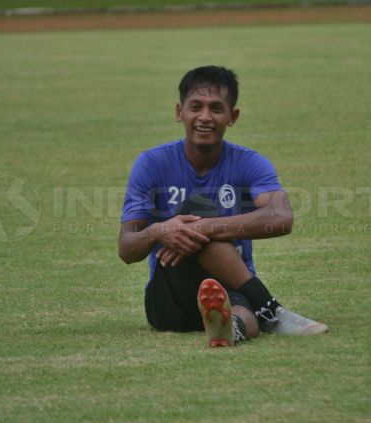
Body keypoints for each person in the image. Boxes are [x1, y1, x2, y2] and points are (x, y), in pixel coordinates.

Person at [118, 65, 327, 347]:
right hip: (169, 299)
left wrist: (205, 227)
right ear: (180, 112)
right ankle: (270, 308)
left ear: (232, 116)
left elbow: (281, 217)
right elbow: (126, 248)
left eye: (216, 108)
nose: (205, 117)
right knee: (198, 209)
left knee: (241, 310)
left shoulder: (249, 162)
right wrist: (158, 231)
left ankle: (232, 329)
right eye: (196, 107)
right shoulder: (152, 163)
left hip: (231, 286)